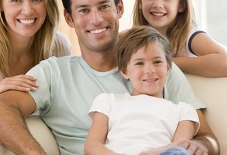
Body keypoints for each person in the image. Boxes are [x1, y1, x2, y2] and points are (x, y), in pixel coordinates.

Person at [0, 0, 220, 155]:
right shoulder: (54, 74)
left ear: (119, 8)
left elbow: (207, 137)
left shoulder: (157, 69)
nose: (96, 19)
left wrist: (203, 147)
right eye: (83, 10)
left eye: (104, 6)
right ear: (70, 18)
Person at [85, 26, 200, 155]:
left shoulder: (184, 110)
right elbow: (92, 146)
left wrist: (152, 153)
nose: (149, 70)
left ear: (168, 68)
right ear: (124, 71)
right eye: (139, 63)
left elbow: (180, 145)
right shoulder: (108, 101)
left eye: (157, 62)